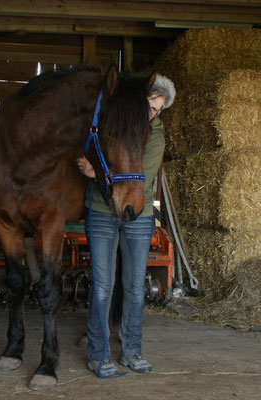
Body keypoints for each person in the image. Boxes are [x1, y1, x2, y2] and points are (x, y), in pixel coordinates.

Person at [77, 74, 176, 378]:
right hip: (102, 211)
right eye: (150, 105)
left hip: (138, 216)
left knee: (134, 287)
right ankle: (99, 354)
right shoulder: (115, 119)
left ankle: (132, 350)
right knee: (103, 286)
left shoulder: (155, 135)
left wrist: (98, 174)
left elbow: (136, 175)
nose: (152, 113)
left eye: (157, 109)